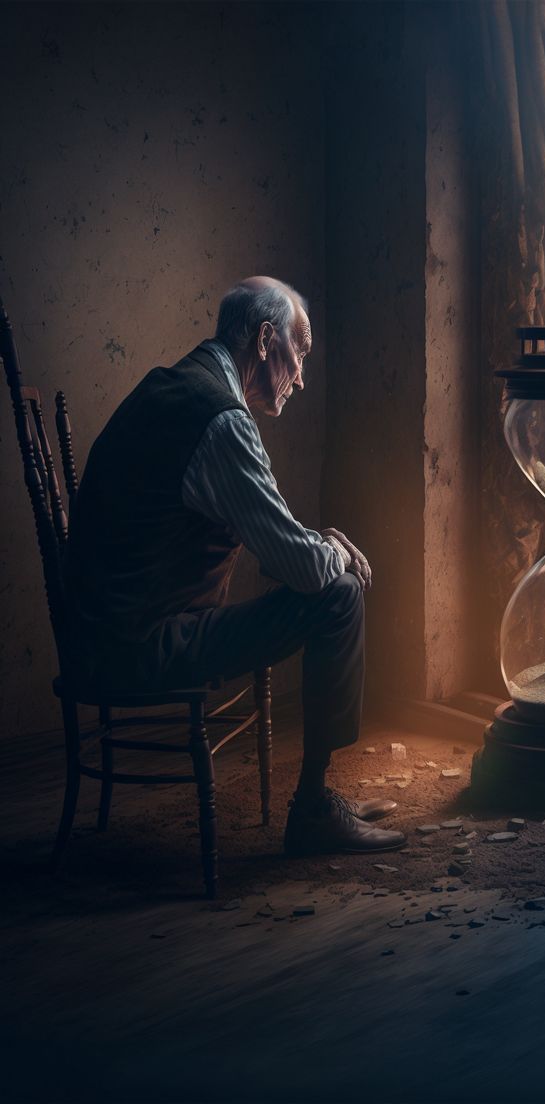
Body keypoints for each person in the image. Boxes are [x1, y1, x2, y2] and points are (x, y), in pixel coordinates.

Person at [65, 276, 406, 855]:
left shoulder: (169, 387)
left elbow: (280, 541)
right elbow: (302, 570)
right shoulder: (221, 421)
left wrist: (314, 543)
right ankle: (314, 809)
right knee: (340, 592)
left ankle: (316, 802)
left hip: (101, 634)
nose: (300, 376)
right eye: (299, 352)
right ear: (266, 340)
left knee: (324, 570)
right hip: (145, 644)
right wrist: (333, 553)